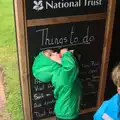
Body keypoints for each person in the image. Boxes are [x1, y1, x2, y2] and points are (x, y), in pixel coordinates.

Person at [32, 48, 82, 120]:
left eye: (53, 52)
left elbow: (74, 68)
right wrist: (65, 53)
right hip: (66, 113)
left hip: (67, 110)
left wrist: (65, 58)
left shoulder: (59, 73)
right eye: (50, 55)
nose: (55, 53)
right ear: (47, 65)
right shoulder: (60, 75)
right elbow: (71, 67)